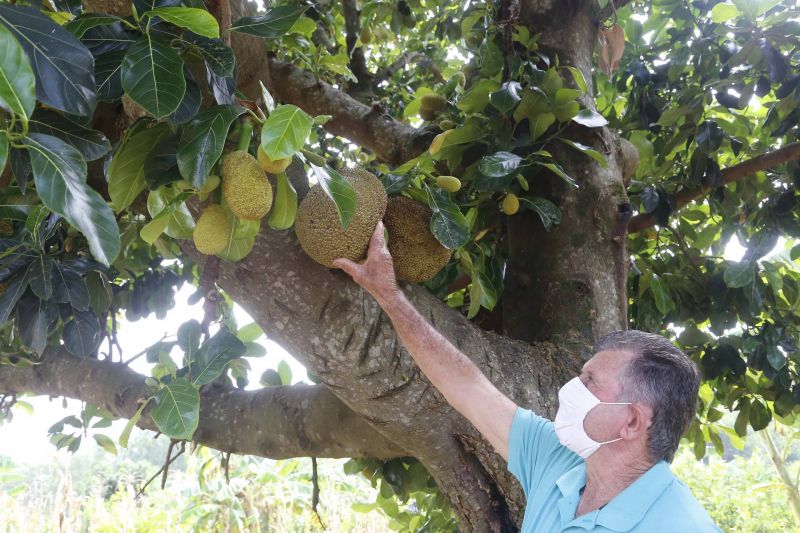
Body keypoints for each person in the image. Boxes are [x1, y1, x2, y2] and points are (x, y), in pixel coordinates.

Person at [334, 222, 721, 532]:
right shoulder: (558, 463)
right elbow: (467, 386)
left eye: (589, 382)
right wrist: (388, 296)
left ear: (632, 421)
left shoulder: (681, 524)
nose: (569, 390)